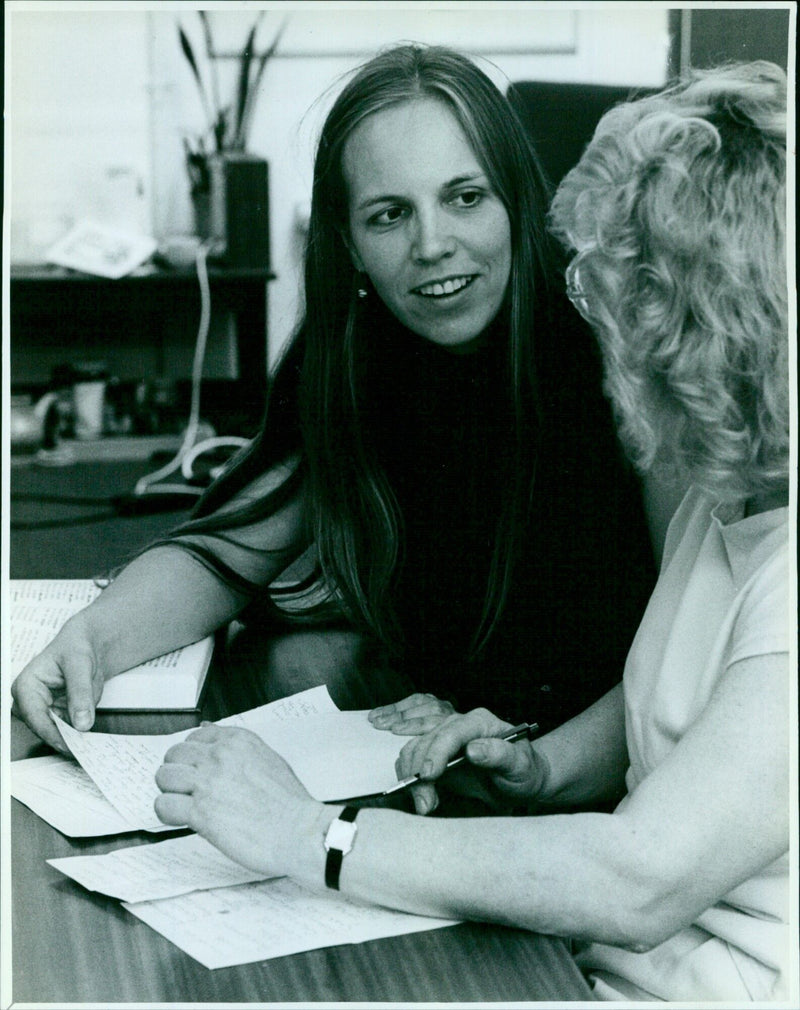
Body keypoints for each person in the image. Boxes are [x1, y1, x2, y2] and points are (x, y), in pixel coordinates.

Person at [152, 61, 791, 1003]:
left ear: (699, 325)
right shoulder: (718, 498)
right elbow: (679, 720)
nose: (584, 317)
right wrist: (541, 770)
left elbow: (639, 877)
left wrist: (310, 836)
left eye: (609, 296)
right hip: (596, 955)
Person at [12, 44, 654, 752]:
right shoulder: (354, 354)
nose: (432, 244)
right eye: (388, 214)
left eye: (465, 197)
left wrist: (524, 739)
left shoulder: (611, 344)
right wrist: (90, 642)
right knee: (270, 668)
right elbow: (227, 548)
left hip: (594, 735)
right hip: (438, 709)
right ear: (347, 241)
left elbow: (677, 645)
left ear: (515, 201)